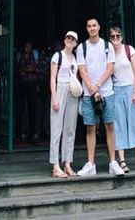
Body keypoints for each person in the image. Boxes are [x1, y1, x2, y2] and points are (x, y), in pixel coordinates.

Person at [76, 17, 124, 177]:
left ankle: (113, 162)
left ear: (99, 27)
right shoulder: (82, 47)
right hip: (89, 92)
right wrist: (92, 88)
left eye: (94, 25)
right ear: (87, 28)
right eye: (89, 26)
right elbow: (82, 71)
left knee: (110, 126)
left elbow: (110, 68)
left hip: (107, 92)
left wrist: (97, 87)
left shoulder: (107, 45)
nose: (92, 28)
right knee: (90, 128)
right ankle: (91, 164)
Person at [110, 26, 135, 173]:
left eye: (117, 36)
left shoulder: (129, 50)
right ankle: (122, 161)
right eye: (112, 36)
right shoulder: (109, 54)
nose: (115, 39)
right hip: (117, 91)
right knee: (118, 125)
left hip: (131, 88)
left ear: (122, 37)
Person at [49, 30, 80, 178]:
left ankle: (67, 162)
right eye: (68, 37)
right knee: (56, 128)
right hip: (60, 89)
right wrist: (55, 97)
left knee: (70, 129)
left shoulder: (75, 58)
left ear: (75, 43)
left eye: (72, 39)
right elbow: (52, 78)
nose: (69, 40)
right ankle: (55, 165)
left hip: (72, 92)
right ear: (64, 40)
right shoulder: (57, 56)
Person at [15, 40, 40, 143]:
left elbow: (41, 69)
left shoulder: (36, 55)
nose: (26, 49)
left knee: (32, 110)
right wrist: (22, 71)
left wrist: (33, 70)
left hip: (32, 84)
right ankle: (18, 135)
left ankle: (31, 135)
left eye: (28, 47)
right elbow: (14, 69)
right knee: (19, 110)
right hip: (21, 85)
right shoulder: (18, 55)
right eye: (25, 47)